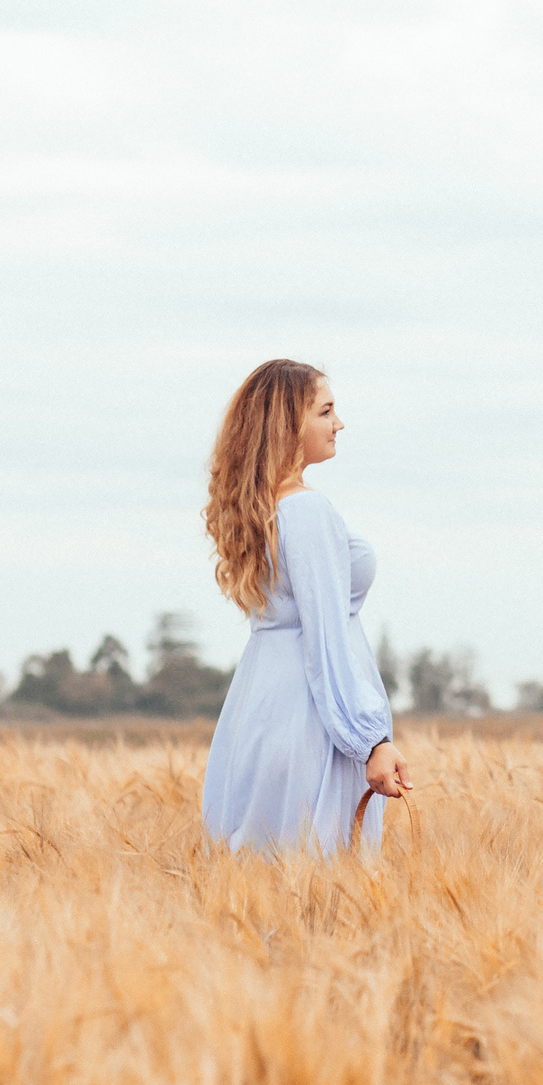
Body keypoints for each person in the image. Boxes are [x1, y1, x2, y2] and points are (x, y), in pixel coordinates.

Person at [200, 359, 414, 855]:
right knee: (323, 880)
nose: (339, 423)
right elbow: (326, 639)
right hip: (312, 719)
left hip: (257, 708)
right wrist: (370, 741)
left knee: (263, 876)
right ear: (289, 424)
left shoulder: (259, 511)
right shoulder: (307, 510)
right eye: (326, 410)